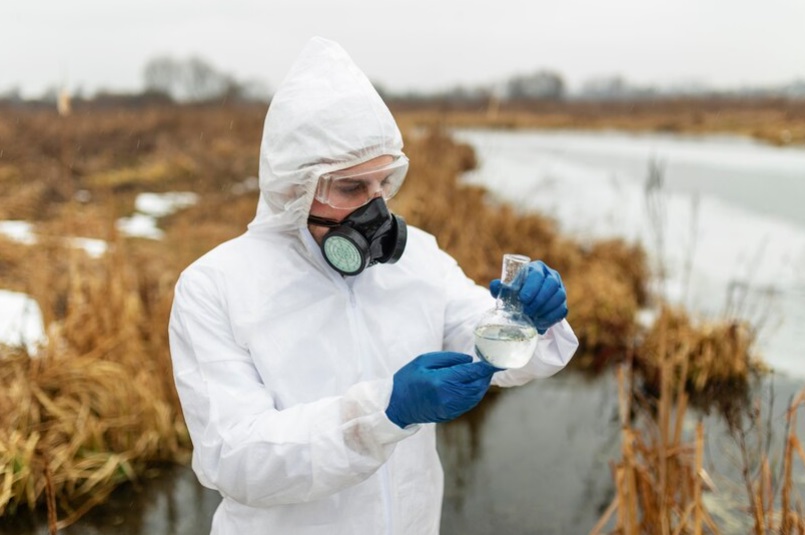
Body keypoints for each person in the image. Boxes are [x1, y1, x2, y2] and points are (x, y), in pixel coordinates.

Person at [168, 36, 578, 535]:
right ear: (293, 190)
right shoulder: (217, 287)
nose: (376, 209)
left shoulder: (417, 257)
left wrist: (527, 318)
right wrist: (383, 412)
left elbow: (487, 345)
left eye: (382, 184)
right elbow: (237, 459)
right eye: (350, 188)